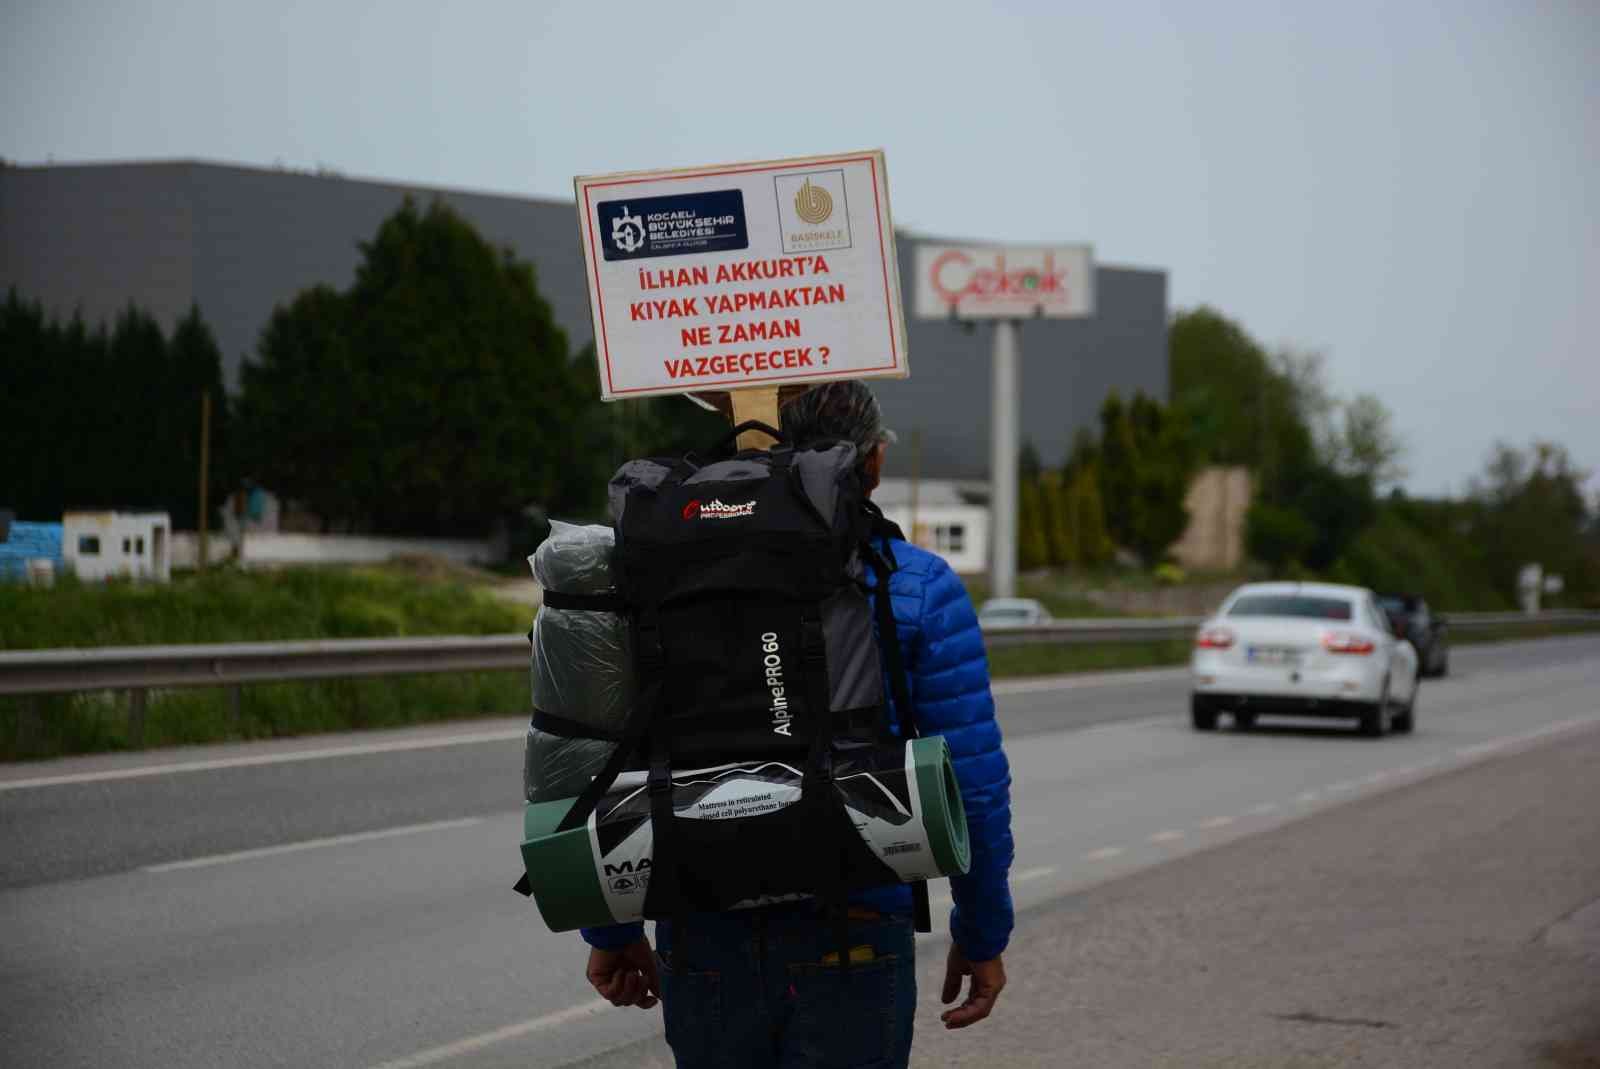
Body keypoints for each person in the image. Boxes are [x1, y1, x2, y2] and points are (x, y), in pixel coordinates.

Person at [580, 381, 1014, 1067]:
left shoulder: (657, 572)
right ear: (873, 462)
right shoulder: (913, 583)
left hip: (701, 923)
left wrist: (610, 929)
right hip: (856, 924)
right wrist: (983, 932)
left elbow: (595, 757)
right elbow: (973, 790)